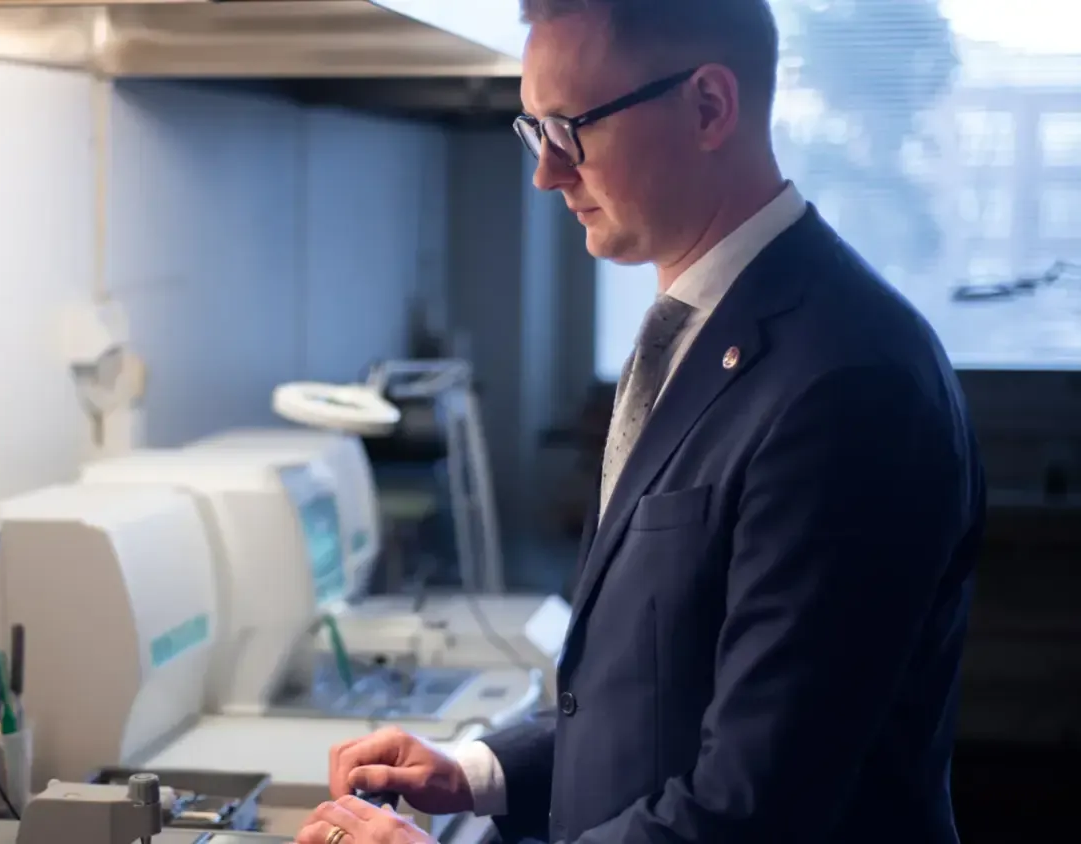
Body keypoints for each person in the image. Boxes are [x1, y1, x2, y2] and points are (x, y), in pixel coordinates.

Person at [295, 1, 986, 843]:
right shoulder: (696, 331)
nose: (546, 172)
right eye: (533, 128)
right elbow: (660, 700)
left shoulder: (850, 384)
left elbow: (755, 806)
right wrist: (480, 772)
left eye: (568, 128)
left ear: (708, 107)